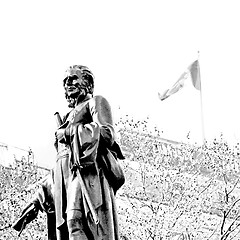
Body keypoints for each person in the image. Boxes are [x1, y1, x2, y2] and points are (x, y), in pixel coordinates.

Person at [13, 65, 125, 240]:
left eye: (73, 78)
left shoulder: (95, 102)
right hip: (66, 181)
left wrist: (68, 133)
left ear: (87, 83)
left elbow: (107, 134)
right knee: (69, 226)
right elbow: (60, 166)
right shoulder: (66, 118)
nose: (68, 83)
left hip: (88, 175)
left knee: (75, 220)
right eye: (65, 81)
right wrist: (38, 200)